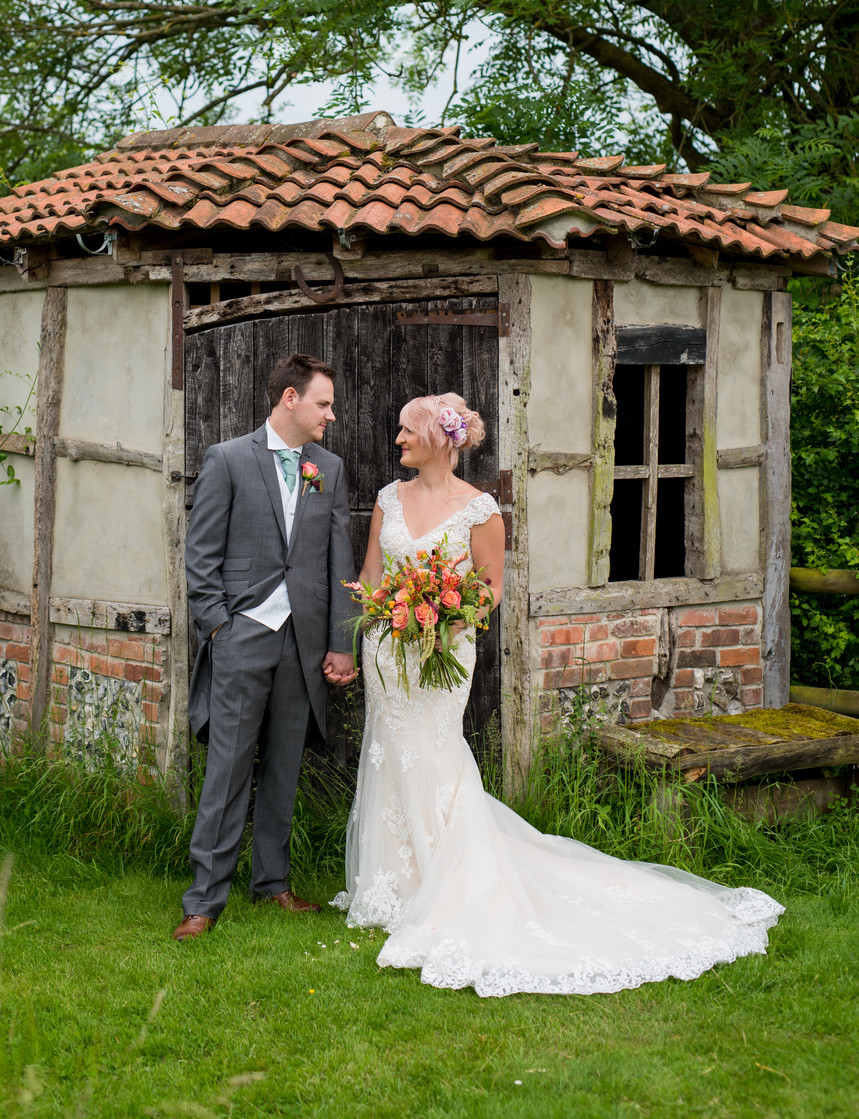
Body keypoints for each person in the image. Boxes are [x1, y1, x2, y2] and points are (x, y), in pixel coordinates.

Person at [332, 392, 784, 995]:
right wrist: (370, 621)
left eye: (405, 431)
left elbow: (490, 586)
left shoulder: (481, 510)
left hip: (444, 650)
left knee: (434, 754)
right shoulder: (389, 500)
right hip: (389, 649)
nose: (397, 442)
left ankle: (453, 883)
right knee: (389, 751)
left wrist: (451, 623)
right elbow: (370, 575)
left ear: (439, 438)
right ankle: (395, 886)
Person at [174, 353, 357, 942]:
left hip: (303, 644)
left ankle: (272, 883)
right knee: (226, 769)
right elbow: (200, 557)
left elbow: (338, 562)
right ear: (290, 398)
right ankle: (204, 900)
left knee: (284, 765)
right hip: (242, 636)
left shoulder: (327, 466)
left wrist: (339, 642)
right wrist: (219, 628)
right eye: (323, 403)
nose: (331, 414)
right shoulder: (227, 459)